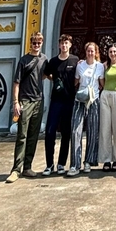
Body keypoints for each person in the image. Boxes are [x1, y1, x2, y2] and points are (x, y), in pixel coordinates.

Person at [6, 32, 46, 182]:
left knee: (33, 135)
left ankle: (27, 167)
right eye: (34, 43)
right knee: (22, 135)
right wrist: (16, 102)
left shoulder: (44, 59)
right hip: (25, 101)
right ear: (31, 44)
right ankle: (16, 169)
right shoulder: (24, 60)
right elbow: (16, 83)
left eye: (39, 42)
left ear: (42, 43)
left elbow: (46, 75)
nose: (36, 45)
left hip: (38, 101)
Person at [42, 34, 79, 176]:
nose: (64, 46)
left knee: (66, 132)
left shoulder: (75, 60)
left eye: (66, 43)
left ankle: (61, 163)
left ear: (70, 45)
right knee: (50, 131)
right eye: (62, 43)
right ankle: (49, 164)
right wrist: (56, 81)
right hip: (56, 101)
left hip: (69, 100)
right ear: (59, 46)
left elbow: (78, 77)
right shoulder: (53, 61)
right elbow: (46, 74)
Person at [68, 41, 105, 176]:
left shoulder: (100, 67)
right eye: (88, 51)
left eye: (92, 51)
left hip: (94, 101)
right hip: (80, 101)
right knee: (75, 131)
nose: (90, 53)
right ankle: (75, 164)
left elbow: (102, 84)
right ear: (85, 52)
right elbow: (76, 82)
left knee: (93, 131)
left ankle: (88, 161)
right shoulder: (80, 66)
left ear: (96, 53)